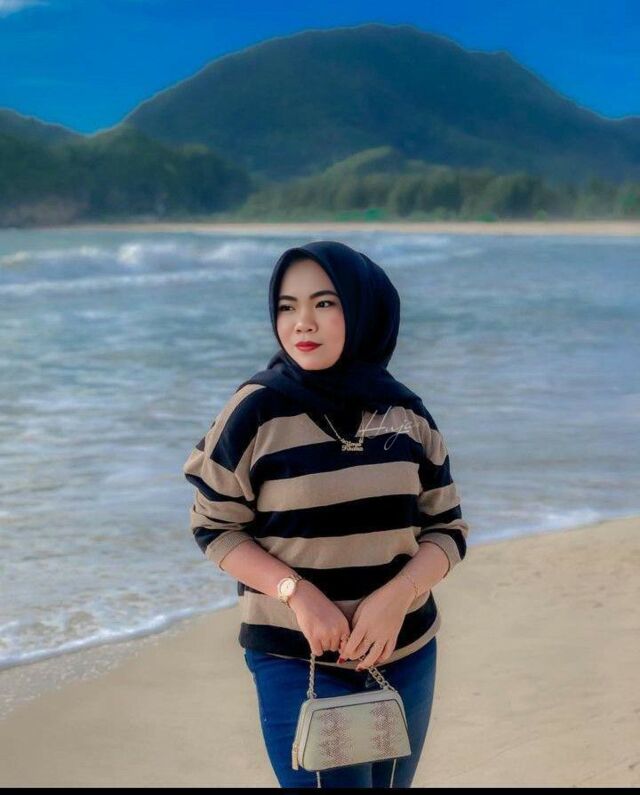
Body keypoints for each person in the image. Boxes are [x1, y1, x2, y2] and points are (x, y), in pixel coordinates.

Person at [182, 240, 470, 788]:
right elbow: (215, 527)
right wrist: (297, 594)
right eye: (287, 306)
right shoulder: (255, 412)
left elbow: (446, 529)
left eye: (325, 303)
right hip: (297, 660)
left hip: (406, 651)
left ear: (362, 310)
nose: (302, 323)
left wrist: (396, 597)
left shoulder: (407, 415)